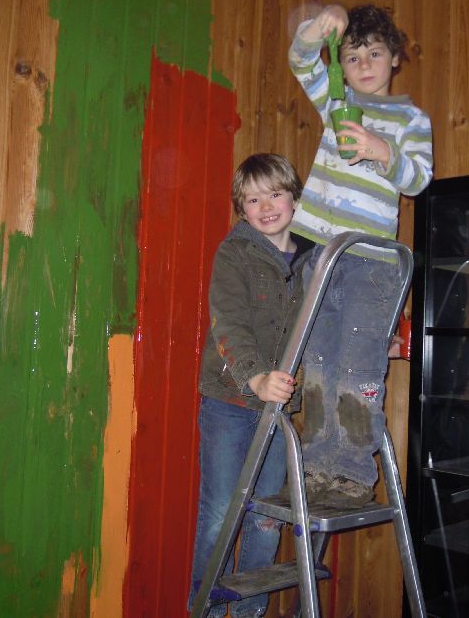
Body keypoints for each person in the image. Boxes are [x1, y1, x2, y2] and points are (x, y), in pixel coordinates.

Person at [288, 3, 434, 507]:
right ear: (342, 67)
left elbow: (418, 178)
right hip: (320, 256)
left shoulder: (411, 118)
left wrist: (381, 149)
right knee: (318, 363)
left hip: (371, 263)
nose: (364, 64)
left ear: (395, 57)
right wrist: (322, 21)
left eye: (374, 53)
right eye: (352, 57)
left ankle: (350, 471)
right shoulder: (337, 99)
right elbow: (301, 59)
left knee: (357, 367)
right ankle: (317, 467)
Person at [187, 153, 312, 618]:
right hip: (230, 399)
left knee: (266, 518)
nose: (266, 207)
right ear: (241, 209)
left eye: (275, 194)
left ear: (294, 199)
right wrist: (255, 376)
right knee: (222, 510)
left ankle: (249, 612)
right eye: (253, 200)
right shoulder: (234, 253)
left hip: (279, 409)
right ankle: (205, 609)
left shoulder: (313, 259)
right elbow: (230, 323)